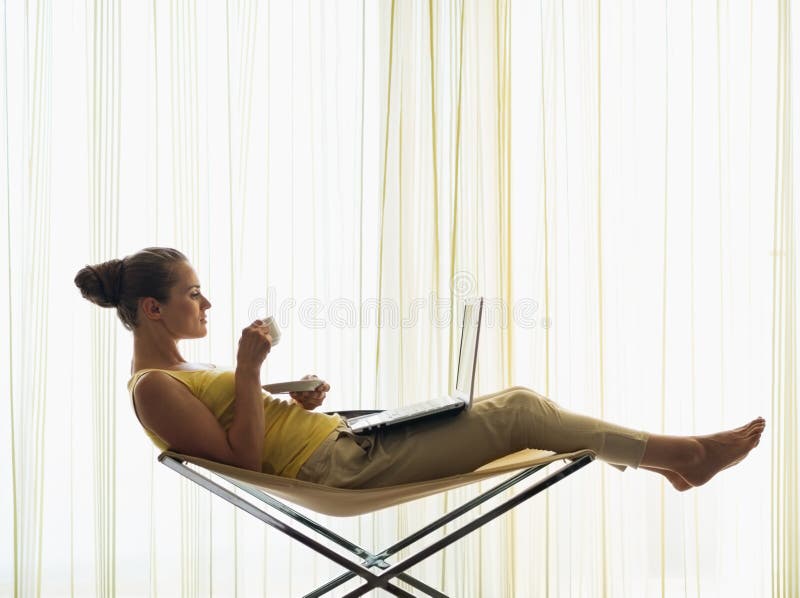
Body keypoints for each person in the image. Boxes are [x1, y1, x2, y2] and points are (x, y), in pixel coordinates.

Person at [74, 247, 765, 491]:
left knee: (514, 405)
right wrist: (252, 371)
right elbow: (246, 460)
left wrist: (294, 399)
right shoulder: (154, 390)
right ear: (152, 310)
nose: (207, 301)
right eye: (193, 292)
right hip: (339, 471)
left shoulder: (182, 372)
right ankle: (687, 456)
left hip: (343, 444)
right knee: (521, 409)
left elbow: (253, 433)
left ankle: (673, 462)